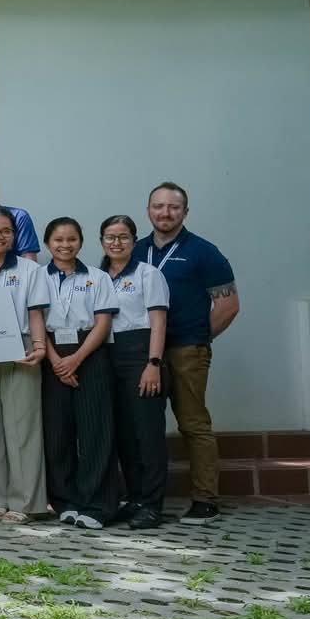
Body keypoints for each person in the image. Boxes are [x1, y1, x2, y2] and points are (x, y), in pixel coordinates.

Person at [133, 182, 236, 524]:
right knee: (144, 426)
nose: (165, 213)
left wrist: (197, 339)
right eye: (158, 206)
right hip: (143, 354)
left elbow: (228, 306)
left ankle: (205, 500)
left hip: (185, 351)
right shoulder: (135, 250)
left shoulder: (204, 252)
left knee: (193, 424)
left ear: (185, 212)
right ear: (148, 210)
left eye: (173, 207)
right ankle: (144, 500)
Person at [0, 207, 51, 523]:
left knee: (23, 428)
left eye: (6, 231)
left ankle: (25, 502)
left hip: (21, 349)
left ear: (14, 236)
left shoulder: (30, 270)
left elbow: (35, 312)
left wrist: (39, 346)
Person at [40, 217, 116, 530]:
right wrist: (57, 361)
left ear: (81, 242)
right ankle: (66, 500)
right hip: (51, 354)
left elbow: (103, 323)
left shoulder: (98, 277)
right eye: (58, 240)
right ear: (48, 243)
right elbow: (35, 321)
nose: (65, 245)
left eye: (71, 239)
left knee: (95, 431)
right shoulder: (37, 278)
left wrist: (76, 359)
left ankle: (98, 503)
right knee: (57, 433)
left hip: (90, 353)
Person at [98, 214, 171, 529]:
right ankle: (136, 499)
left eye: (123, 237)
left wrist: (153, 364)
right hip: (107, 355)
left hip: (140, 354)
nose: (116, 243)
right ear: (102, 241)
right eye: (110, 237)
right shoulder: (97, 276)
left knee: (147, 433)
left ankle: (153, 505)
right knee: (124, 434)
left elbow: (158, 321)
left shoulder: (148, 274)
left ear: (133, 241)